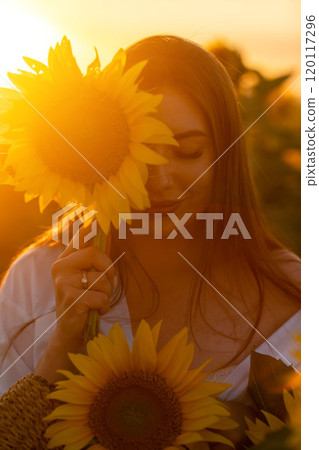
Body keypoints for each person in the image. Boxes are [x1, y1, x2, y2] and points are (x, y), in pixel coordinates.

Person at [0, 34, 300, 447]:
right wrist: (63, 342)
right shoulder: (37, 277)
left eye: (189, 152)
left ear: (226, 154)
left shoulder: (295, 296)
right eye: (145, 153)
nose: (159, 180)